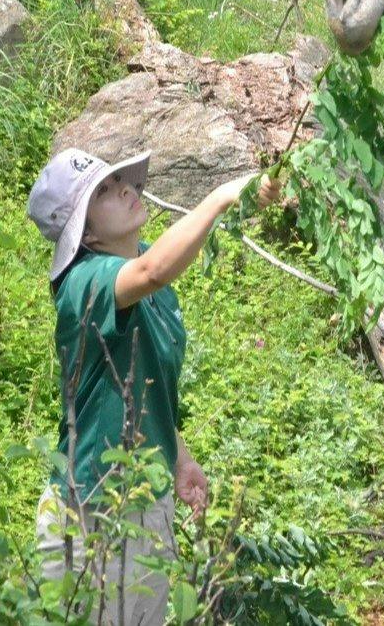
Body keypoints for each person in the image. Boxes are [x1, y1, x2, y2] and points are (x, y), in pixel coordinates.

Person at [26, 146, 279, 625]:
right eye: (102, 192)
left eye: (119, 180)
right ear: (86, 232)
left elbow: (144, 383)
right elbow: (152, 270)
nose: (124, 189)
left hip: (147, 500)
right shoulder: (85, 282)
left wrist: (179, 456)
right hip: (92, 512)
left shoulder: (144, 266)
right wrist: (223, 197)